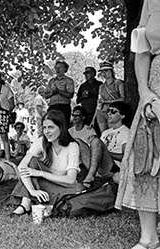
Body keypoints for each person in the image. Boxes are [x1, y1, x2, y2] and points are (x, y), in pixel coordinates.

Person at [116, 1, 160, 248]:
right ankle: (149, 239)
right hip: (156, 84)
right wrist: (145, 93)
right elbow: (142, 51)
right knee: (147, 155)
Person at [10, 110, 85, 216]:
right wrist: (32, 190)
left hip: (64, 185)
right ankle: (26, 203)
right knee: (32, 161)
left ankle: (36, 200)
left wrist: (40, 173)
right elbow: (22, 166)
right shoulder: (41, 141)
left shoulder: (72, 146)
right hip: (45, 184)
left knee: (79, 189)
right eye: (44, 128)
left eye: (51, 127)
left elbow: (70, 179)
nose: (46, 131)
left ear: (61, 127)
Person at [68, 106, 114, 185]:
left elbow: (96, 148)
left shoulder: (89, 130)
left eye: (77, 115)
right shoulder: (69, 131)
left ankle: (92, 174)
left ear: (83, 117)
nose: (74, 117)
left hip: (90, 158)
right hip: (76, 161)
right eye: (73, 115)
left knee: (79, 141)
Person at [93, 61, 124, 132]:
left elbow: (123, 98)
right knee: (104, 135)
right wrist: (93, 119)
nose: (104, 73)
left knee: (113, 133)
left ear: (111, 71)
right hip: (102, 112)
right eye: (102, 71)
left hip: (113, 111)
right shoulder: (101, 86)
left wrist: (107, 101)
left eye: (106, 71)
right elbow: (99, 103)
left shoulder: (118, 83)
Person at [44, 61, 74, 125]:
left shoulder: (69, 80)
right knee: (51, 125)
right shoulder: (51, 81)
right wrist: (52, 93)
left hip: (64, 106)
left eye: (59, 68)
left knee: (63, 126)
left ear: (65, 69)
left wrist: (59, 91)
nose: (57, 70)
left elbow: (70, 95)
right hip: (52, 106)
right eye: (56, 68)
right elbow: (46, 96)